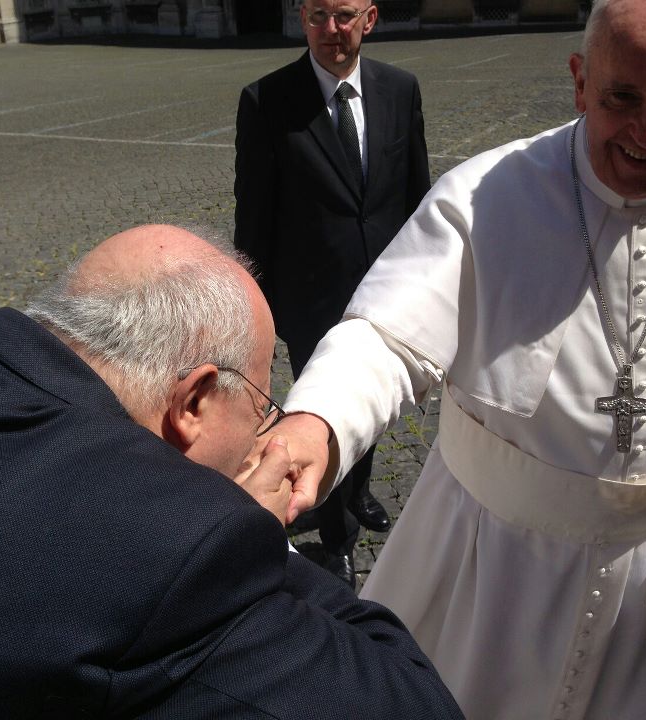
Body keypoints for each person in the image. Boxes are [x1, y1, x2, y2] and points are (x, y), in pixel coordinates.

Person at [262, 0, 646, 717]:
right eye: (622, 97)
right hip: (487, 575)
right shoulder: (488, 194)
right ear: (579, 80)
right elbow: (389, 336)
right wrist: (316, 424)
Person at [0, 224, 464, 720]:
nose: (263, 431)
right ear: (195, 400)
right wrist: (247, 526)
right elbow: (410, 698)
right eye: (263, 406)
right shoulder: (178, 548)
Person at [234, 0, 430, 588]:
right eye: (317, 15)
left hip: (384, 290)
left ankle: (356, 489)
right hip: (310, 296)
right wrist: (258, 307)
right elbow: (255, 216)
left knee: (370, 404)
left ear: (369, 19)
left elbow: (418, 195)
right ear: (301, 18)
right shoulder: (266, 100)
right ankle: (338, 535)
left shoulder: (401, 90)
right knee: (323, 404)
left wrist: (423, 278)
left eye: (343, 15)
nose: (330, 30)